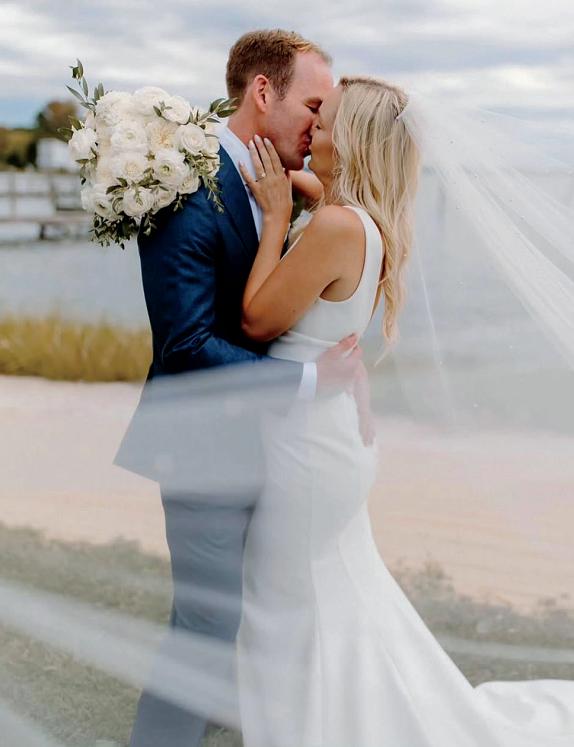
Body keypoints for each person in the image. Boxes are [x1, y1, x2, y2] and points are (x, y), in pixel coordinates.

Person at [236, 76, 574, 746]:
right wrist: (285, 181)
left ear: (353, 140)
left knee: (292, 598)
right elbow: (319, 199)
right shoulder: (364, 221)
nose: (313, 127)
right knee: (338, 596)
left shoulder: (336, 226)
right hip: (328, 440)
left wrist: (274, 218)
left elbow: (255, 319)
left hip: (308, 452)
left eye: (326, 120)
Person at [115, 30, 370, 747]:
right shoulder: (184, 188)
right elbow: (187, 343)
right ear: (263, 92)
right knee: (206, 620)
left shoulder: (284, 185)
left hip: (278, 449)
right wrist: (312, 379)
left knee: (250, 609)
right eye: (313, 107)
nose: (318, 126)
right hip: (203, 443)